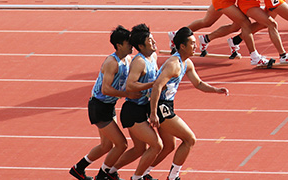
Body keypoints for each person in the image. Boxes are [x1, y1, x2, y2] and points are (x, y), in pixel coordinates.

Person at [149, 27, 229, 180]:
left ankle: (143, 174)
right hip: (161, 106)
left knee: (168, 146)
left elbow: (198, 84)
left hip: (167, 105)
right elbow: (157, 86)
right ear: (182, 46)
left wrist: (216, 90)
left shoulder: (187, 63)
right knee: (190, 139)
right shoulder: (174, 64)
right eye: (192, 43)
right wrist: (153, 113)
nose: (195, 46)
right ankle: (173, 177)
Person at [69, 25, 136, 180]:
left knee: (106, 146)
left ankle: (78, 168)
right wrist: (127, 94)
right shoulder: (112, 62)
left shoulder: (128, 59)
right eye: (128, 43)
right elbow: (106, 89)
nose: (131, 45)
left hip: (108, 105)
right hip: (99, 106)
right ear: (119, 45)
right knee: (121, 144)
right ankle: (105, 174)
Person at [112, 24, 161, 180]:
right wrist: (152, 84)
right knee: (156, 145)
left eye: (153, 38)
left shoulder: (153, 56)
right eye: (150, 40)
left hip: (142, 108)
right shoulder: (139, 62)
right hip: (132, 111)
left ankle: (109, 171)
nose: (154, 42)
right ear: (141, 45)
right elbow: (130, 84)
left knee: (139, 149)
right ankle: (137, 177)